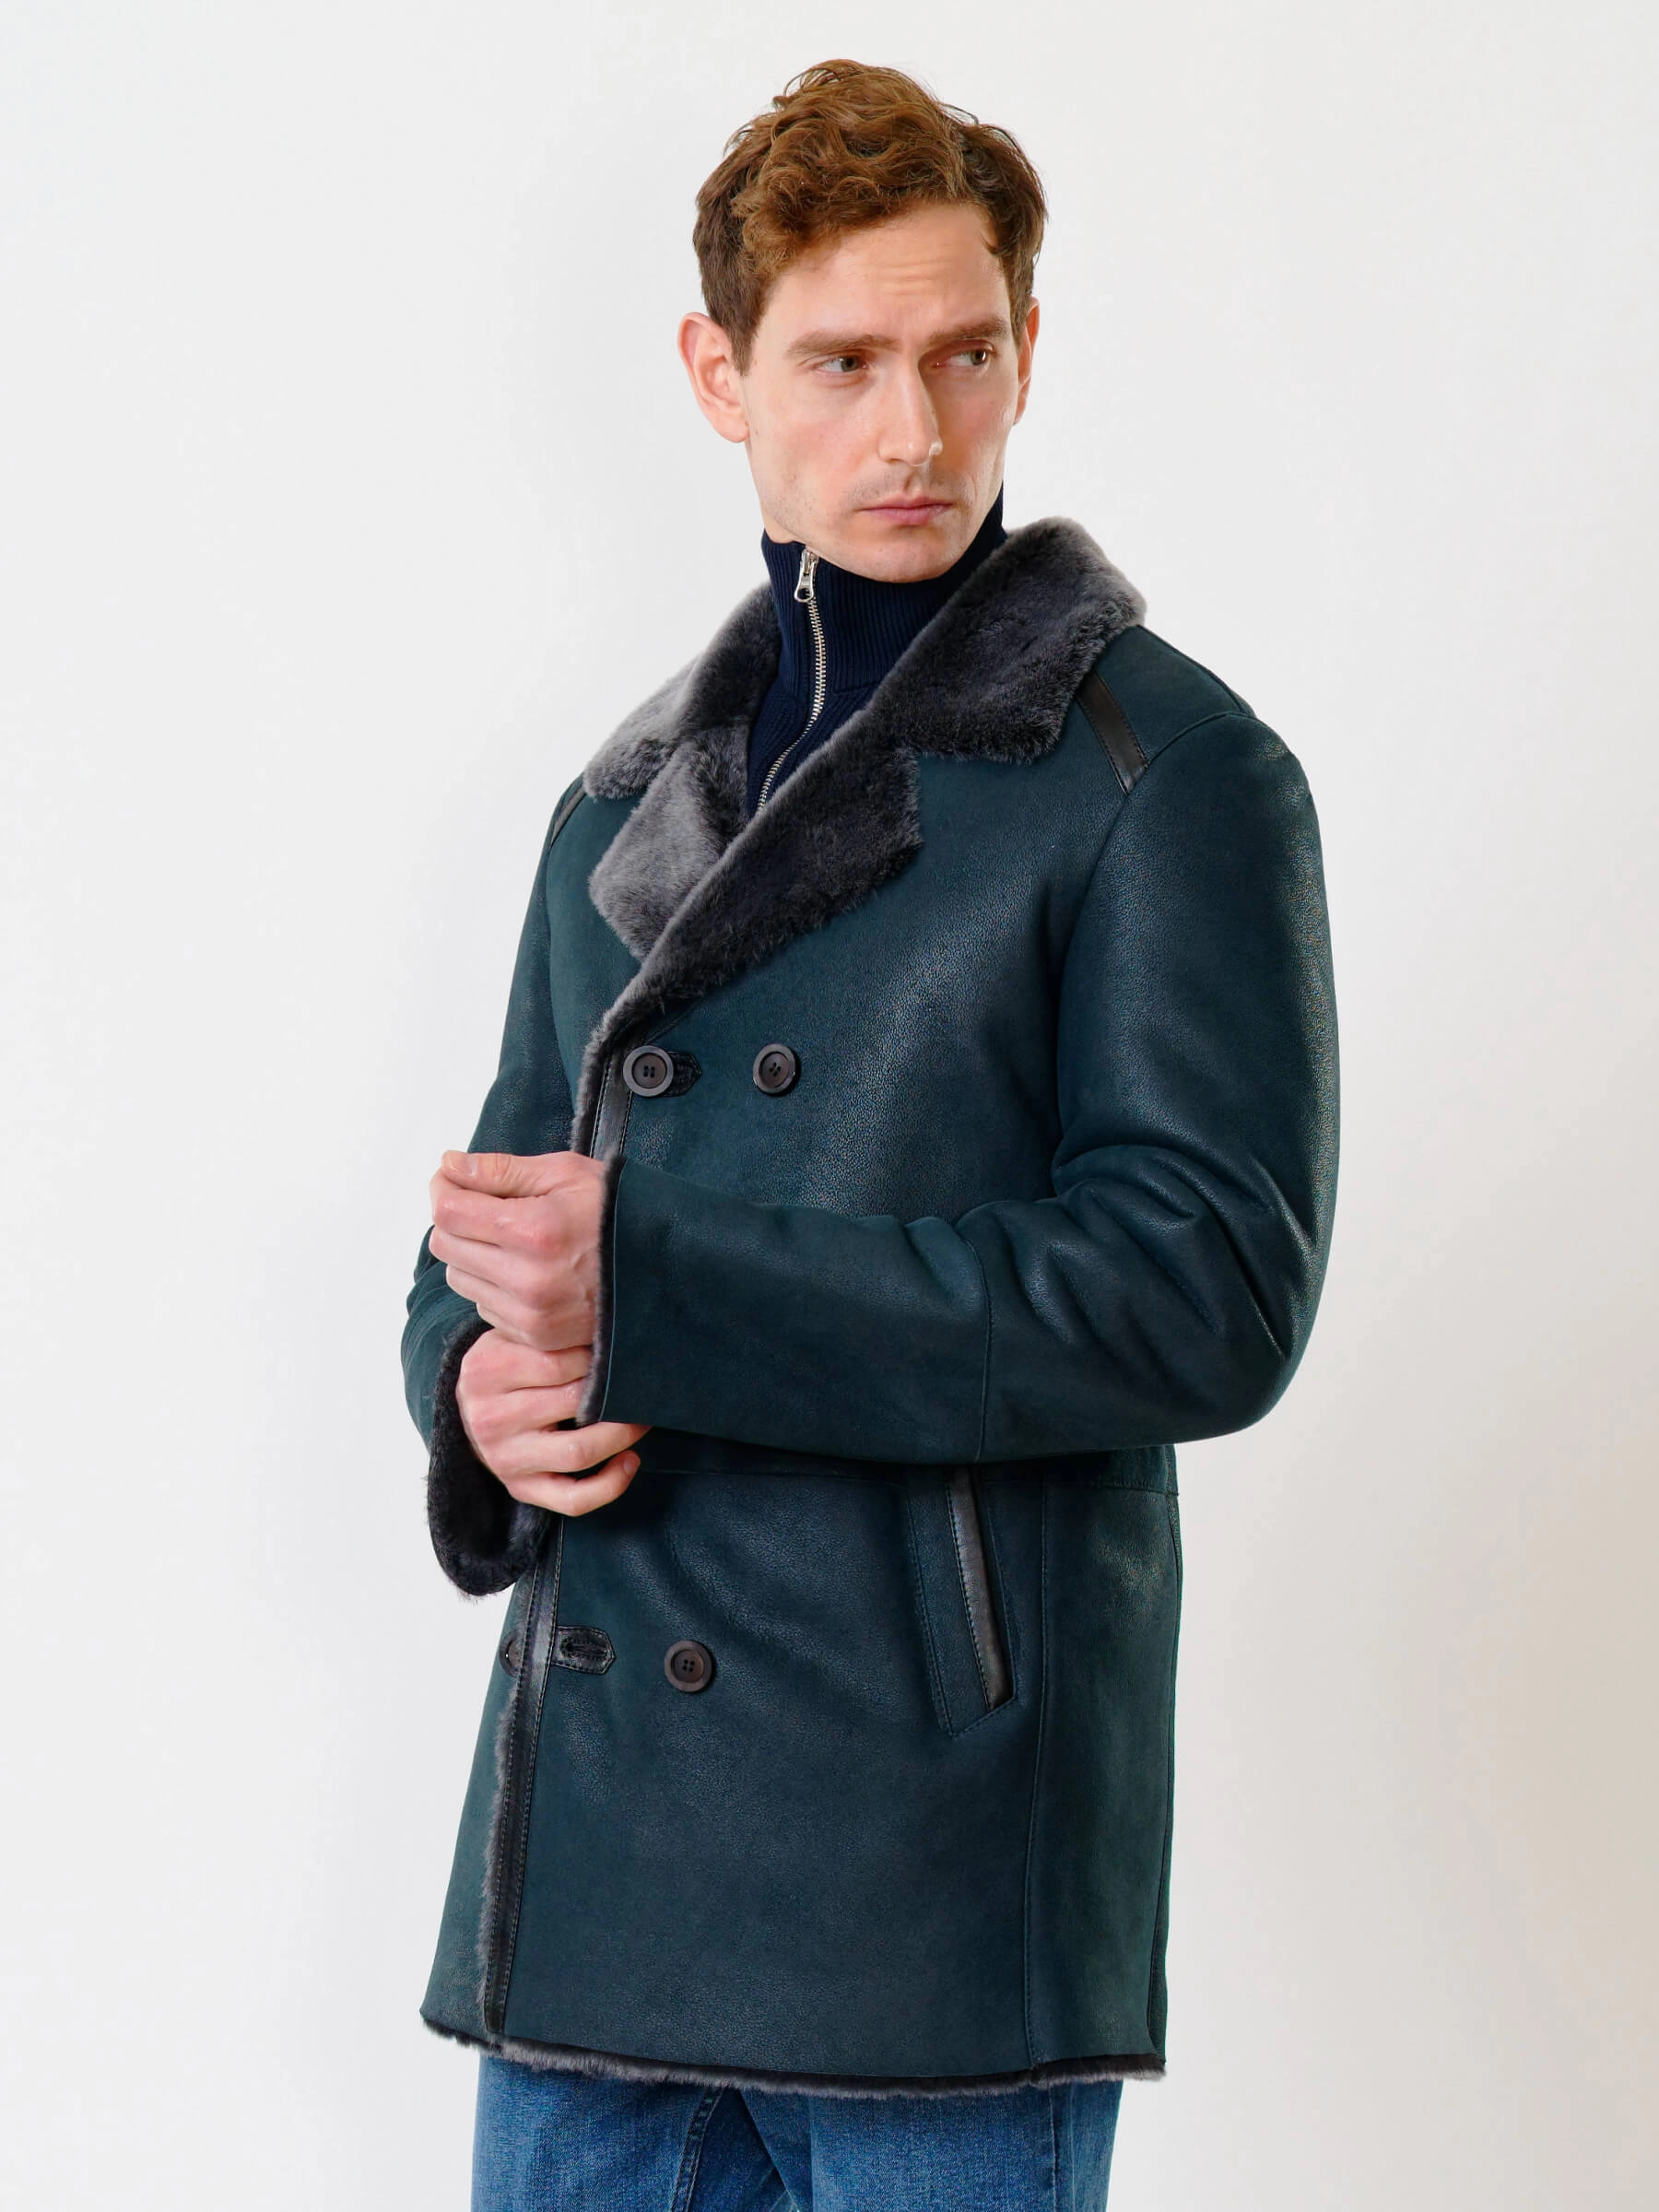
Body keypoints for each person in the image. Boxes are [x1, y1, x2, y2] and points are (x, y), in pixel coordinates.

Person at [403, 58, 1338, 2212]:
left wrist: (664, 1289)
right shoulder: (623, 804)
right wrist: (474, 1393)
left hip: (935, 1860)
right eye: (841, 363)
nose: (914, 431)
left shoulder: (1163, 773)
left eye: (963, 355)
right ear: (718, 375)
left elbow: (1209, 1291)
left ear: (1027, 348)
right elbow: (503, 1230)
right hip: (600, 1855)